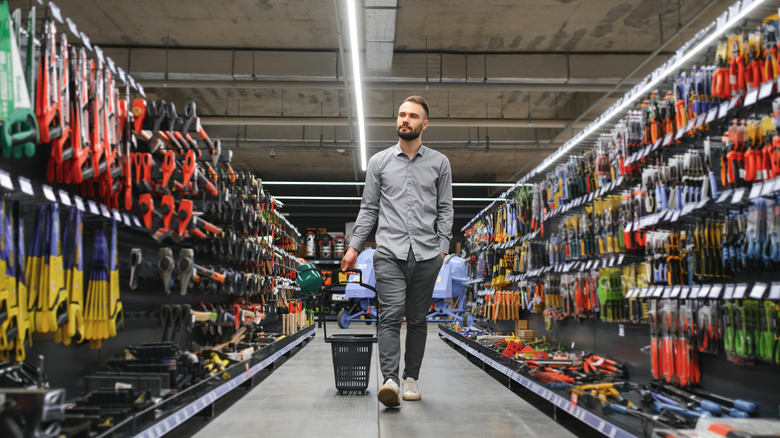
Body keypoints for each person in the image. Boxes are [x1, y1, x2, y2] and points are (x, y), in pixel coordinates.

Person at [341, 95, 453, 408]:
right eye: (402, 115)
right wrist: (354, 247)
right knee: (389, 315)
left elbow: (446, 208)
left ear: (424, 124)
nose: (405, 120)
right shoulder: (379, 162)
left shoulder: (439, 163)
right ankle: (389, 379)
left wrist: (442, 248)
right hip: (389, 251)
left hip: (427, 255)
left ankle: (410, 379)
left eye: (413, 116)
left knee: (417, 320)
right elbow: (368, 208)